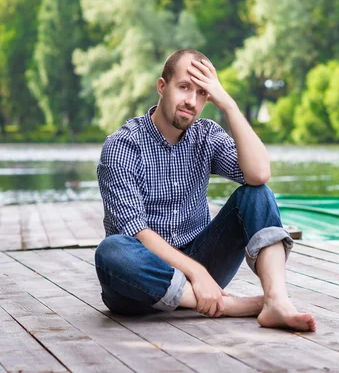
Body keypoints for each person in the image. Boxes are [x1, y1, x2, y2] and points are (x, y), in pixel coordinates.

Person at [94, 49, 316, 332]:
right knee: (111, 251)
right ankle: (226, 305)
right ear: (162, 87)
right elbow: (135, 230)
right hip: (138, 284)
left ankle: (275, 301)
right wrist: (196, 273)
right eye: (184, 87)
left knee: (257, 194)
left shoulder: (207, 135)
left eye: (202, 93)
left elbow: (259, 174)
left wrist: (229, 106)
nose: (191, 101)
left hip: (203, 269)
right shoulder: (123, 146)